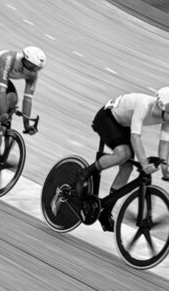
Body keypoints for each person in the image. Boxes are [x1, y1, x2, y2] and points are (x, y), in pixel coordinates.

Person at [72, 88, 169, 232]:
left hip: (123, 124)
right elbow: (135, 137)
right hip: (107, 117)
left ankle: (106, 212)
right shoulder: (144, 104)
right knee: (123, 153)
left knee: (127, 168)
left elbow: (164, 143)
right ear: (163, 107)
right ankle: (84, 173)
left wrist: (165, 169)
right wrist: (144, 163)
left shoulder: (166, 117)